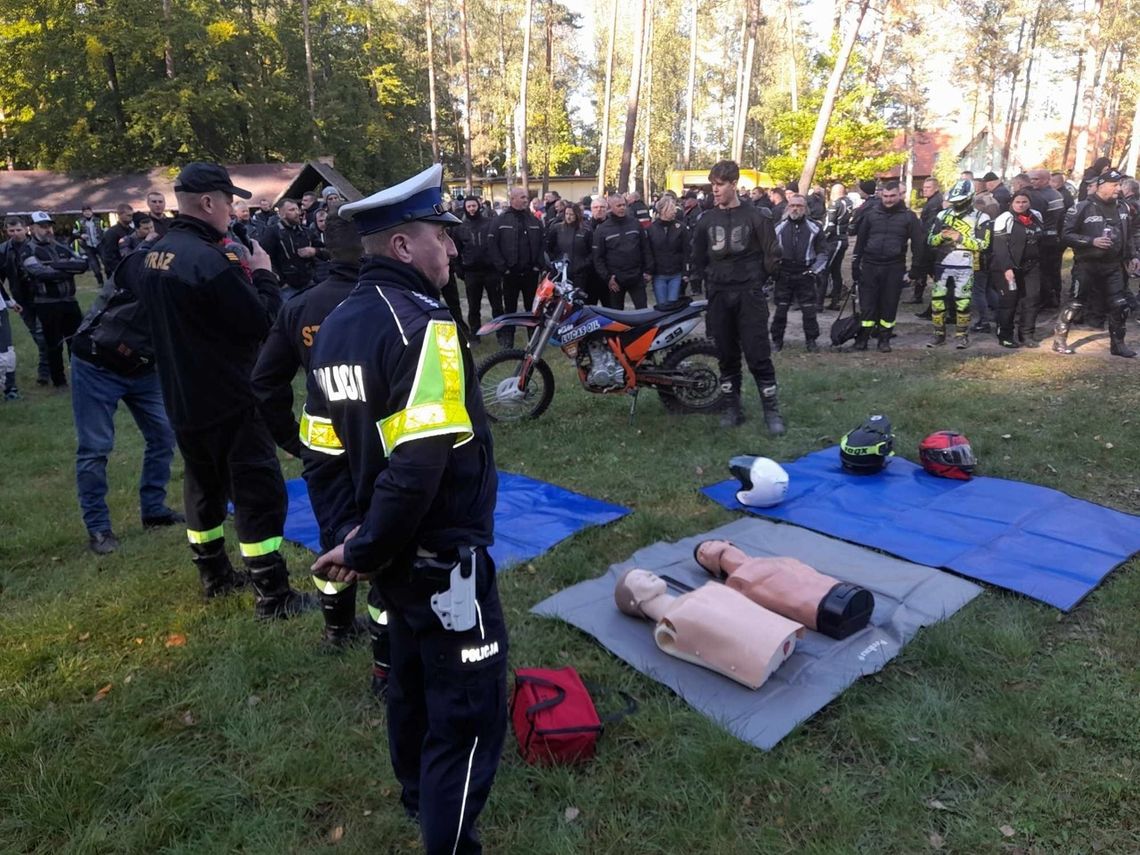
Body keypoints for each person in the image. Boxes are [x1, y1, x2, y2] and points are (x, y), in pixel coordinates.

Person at [304, 163, 507, 855]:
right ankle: (450, 840)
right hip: (443, 559)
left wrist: (350, 535)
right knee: (470, 714)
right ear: (402, 247)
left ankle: (419, 797)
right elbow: (421, 465)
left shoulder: (331, 327)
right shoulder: (427, 326)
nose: (452, 249)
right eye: (439, 237)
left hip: (390, 555)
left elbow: (320, 453)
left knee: (411, 685)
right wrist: (360, 547)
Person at [135, 161, 314, 613]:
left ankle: (214, 574)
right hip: (229, 396)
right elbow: (261, 321)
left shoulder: (156, 252)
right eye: (229, 201)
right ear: (210, 202)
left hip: (181, 394)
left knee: (202, 486)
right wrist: (263, 272)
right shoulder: (209, 260)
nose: (232, 211)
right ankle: (272, 594)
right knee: (256, 490)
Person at [250, 207, 389, 668]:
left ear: (327, 246)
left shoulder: (300, 306)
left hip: (326, 448)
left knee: (335, 533)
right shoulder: (393, 301)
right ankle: (384, 654)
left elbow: (266, 382)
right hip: (384, 444)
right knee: (385, 544)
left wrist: (293, 439)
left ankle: (337, 628)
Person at [69, 246, 183, 554]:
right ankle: (98, 528)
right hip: (97, 362)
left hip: (144, 367)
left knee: (163, 435)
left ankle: (154, 509)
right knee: (95, 448)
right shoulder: (142, 261)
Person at [690, 160, 784, 433]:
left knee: (758, 353)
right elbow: (698, 256)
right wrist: (705, 279)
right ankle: (732, 407)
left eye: (719, 185)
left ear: (734, 184)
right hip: (719, 294)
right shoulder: (705, 219)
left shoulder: (756, 216)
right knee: (725, 353)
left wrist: (758, 281)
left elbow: (772, 254)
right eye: (713, 185)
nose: (714, 190)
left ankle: (772, 411)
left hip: (748, 293)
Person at [1053, 169, 1139, 358]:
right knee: (1076, 304)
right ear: (1101, 186)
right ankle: (1059, 340)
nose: (1118, 188)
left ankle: (1118, 344)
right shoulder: (1082, 207)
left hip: (1114, 265)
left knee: (1119, 304)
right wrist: (1092, 241)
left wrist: (1133, 256)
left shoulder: (1123, 207)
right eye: (1114, 185)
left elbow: (1129, 234)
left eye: (1120, 185)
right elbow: (1065, 235)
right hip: (1087, 264)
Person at [851, 181, 923, 352]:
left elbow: (918, 245)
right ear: (881, 195)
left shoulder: (909, 217)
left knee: (889, 305)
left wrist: (915, 270)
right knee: (867, 305)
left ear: (899, 195)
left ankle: (884, 339)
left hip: (894, 267)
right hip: (869, 265)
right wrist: (855, 264)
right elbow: (860, 241)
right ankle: (863, 338)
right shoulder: (871, 214)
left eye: (892, 196)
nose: (889, 200)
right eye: (886, 196)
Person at [22, 212, 87, 387]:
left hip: (69, 301)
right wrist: (67, 271)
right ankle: (59, 381)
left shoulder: (61, 246)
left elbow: (82, 264)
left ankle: (80, 377)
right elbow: (39, 272)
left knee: (77, 341)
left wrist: (56, 268)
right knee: (54, 344)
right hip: (47, 304)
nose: (47, 229)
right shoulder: (28, 249)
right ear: (32, 228)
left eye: (49, 226)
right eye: (42, 226)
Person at [925, 179, 990, 348]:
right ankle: (938, 334)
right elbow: (930, 240)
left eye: (960, 200)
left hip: (966, 264)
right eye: (954, 201)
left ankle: (962, 335)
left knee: (963, 301)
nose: (956, 204)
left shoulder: (982, 217)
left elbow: (984, 244)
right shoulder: (942, 215)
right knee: (937, 301)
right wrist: (942, 237)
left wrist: (959, 237)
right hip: (942, 263)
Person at [487, 186, 543, 348]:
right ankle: (508, 339)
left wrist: (537, 266)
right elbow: (492, 245)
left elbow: (542, 244)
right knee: (510, 308)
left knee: (532, 308)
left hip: (530, 273)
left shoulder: (534, 220)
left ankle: (533, 340)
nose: (526, 200)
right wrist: (502, 268)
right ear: (512, 199)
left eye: (526, 198)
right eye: (522, 197)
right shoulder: (500, 220)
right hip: (509, 273)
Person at [770, 195, 828, 352]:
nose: (795, 208)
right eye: (792, 205)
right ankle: (777, 341)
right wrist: (773, 269)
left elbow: (823, 253)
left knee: (809, 311)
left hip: (806, 273)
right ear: (787, 207)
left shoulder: (815, 227)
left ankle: (811, 341)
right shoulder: (778, 227)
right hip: (784, 273)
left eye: (799, 206)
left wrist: (814, 271)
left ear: (805, 209)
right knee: (780, 311)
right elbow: (770, 252)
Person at [991, 190, 1045, 348]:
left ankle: (1027, 334)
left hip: (1031, 265)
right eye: (1017, 202)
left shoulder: (1036, 216)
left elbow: (1041, 240)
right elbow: (1000, 247)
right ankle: (1005, 335)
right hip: (1008, 266)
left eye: (1024, 202)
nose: (1021, 205)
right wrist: (1007, 269)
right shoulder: (1004, 218)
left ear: (1029, 203)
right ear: (1011, 203)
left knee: (1032, 299)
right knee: (1009, 301)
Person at [1, 216, 49, 385]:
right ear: (6, 231)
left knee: (45, 334)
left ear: (26, 229)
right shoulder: (3, 251)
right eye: (11, 231)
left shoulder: (38, 246)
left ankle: (46, 371)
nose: (15, 234)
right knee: (38, 335)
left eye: (18, 230)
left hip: (44, 297)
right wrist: (8, 300)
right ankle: (46, 369)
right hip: (22, 300)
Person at [592, 193, 651, 309]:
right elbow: (598, 258)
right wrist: (608, 278)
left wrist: (648, 270)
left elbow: (645, 248)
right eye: (618, 206)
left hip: (636, 276)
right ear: (610, 207)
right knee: (616, 314)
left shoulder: (635, 224)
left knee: (643, 310)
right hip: (615, 279)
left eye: (624, 205)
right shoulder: (602, 230)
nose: (622, 208)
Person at [453, 196, 503, 333]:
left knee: (497, 305)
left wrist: (499, 265)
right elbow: (456, 249)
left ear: (478, 206)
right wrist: (458, 268)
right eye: (468, 206)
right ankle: (475, 332)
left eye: (473, 206)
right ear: (465, 208)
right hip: (471, 272)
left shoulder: (490, 223)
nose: (471, 209)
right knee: (473, 305)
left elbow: (498, 244)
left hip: (491, 270)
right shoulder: (460, 228)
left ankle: (500, 332)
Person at [262, 198, 318, 297]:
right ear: (282, 214)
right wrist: (281, 282)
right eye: (292, 210)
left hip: (309, 283)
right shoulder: (272, 232)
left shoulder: (306, 232)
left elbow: (326, 251)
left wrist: (315, 251)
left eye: (297, 209)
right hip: (287, 288)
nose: (297, 213)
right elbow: (265, 258)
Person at [1027, 168, 1066, 309]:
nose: (1031, 182)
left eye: (1035, 179)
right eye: (1031, 179)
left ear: (1045, 180)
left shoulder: (1041, 196)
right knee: (1053, 270)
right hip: (1055, 237)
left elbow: (1036, 217)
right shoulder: (1056, 193)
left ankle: (1046, 298)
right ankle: (1055, 296)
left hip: (1045, 238)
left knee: (1043, 270)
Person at [545, 203, 596, 301]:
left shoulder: (586, 230)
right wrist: (554, 264)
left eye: (571, 214)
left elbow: (592, 251)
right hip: (561, 273)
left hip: (579, 273)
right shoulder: (557, 228)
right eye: (567, 214)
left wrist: (583, 264)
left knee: (577, 301)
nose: (568, 217)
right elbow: (548, 248)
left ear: (577, 215)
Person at [909, 177, 944, 308]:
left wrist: (923, 241)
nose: (925, 190)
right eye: (924, 188)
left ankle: (935, 305)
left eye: (928, 188)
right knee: (925, 271)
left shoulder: (935, 203)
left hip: (932, 245)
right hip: (929, 242)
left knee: (933, 274)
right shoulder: (932, 201)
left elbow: (931, 225)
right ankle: (919, 297)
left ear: (936, 189)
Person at [646, 195, 687, 304]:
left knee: (673, 303)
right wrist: (649, 270)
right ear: (663, 210)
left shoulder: (681, 228)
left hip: (676, 273)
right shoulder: (651, 229)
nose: (674, 212)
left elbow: (686, 250)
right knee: (662, 305)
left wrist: (686, 271)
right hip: (659, 274)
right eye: (671, 209)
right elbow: (648, 252)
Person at [820, 182, 854, 310]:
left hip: (835, 241)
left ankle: (819, 303)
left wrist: (822, 239)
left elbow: (829, 226)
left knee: (824, 270)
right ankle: (835, 301)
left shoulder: (835, 204)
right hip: (843, 240)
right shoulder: (849, 202)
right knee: (836, 271)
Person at [72, 205, 105, 285]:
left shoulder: (99, 221)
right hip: (88, 246)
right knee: (94, 266)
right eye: (85, 211)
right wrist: (81, 235)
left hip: (100, 244)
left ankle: (111, 280)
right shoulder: (79, 222)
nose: (87, 213)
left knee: (107, 262)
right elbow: (74, 233)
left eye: (89, 211)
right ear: (83, 213)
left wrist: (102, 236)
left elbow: (106, 231)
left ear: (92, 211)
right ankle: (100, 282)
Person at [99, 204, 135, 275]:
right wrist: (118, 270)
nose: (131, 217)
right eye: (128, 215)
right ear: (120, 215)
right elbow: (108, 255)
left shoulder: (132, 231)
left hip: (130, 268)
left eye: (131, 215)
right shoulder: (111, 233)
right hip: (116, 270)